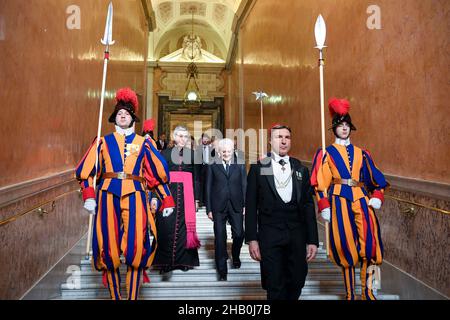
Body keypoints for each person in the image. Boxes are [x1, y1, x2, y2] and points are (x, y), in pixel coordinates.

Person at [75, 88, 175, 300]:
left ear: (132, 118)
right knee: (108, 249)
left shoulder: (144, 142)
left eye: (127, 113)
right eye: (119, 113)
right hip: (107, 196)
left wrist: (166, 200)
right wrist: (89, 195)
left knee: (136, 248)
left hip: (136, 196)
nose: (123, 115)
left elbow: (155, 174)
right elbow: (86, 171)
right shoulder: (102, 142)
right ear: (115, 117)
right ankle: (115, 297)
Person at [310, 98, 388, 300]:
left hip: (362, 199)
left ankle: (369, 292)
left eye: (346, 125)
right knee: (346, 248)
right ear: (334, 128)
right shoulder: (326, 153)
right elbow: (320, 183)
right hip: (339, 200)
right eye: (340, 125)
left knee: (370, 246)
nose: (344, 129)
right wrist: (324, 204)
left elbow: (377, 180)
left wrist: (377, 196)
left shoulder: (363, 153)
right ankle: (350, 294)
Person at [245, 124, 319, 300]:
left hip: (296, 234)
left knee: (297, 280)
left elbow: (308, 206)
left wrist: (312, 240)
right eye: (279, 137)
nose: (284, 141)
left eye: (287, 137)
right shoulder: (258, 168)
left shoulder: (301, 169)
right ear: (270, 141)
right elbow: (251, 204)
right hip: (270, 234)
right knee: (274, 283)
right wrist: (252, 239)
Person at [152, 126, 201, 273]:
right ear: (174, 137)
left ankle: (183, 261)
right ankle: (165, 262)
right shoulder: (164, 154)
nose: (183, 139)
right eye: (180, 136)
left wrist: (197, 199)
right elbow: (158, 178)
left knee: (185, 228)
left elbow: (197, 179)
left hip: (187, 194)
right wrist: (155, 197)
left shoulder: (193, 155)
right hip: (168, 194)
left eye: (185, 136)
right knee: (165, 227)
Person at [205, 138, 247, 281]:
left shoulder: (240, 163)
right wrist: (209, 209)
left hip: (236, 204)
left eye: (229, 151)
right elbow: (208, 187)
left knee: (239, 234)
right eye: (224, 151)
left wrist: (246, 205)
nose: (227, 154)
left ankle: (235, 255)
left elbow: (244, 185)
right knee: (220, 237)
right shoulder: (212, 165)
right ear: (219, 152)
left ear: (233, 151)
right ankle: (222, 270)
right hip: (218, 205)